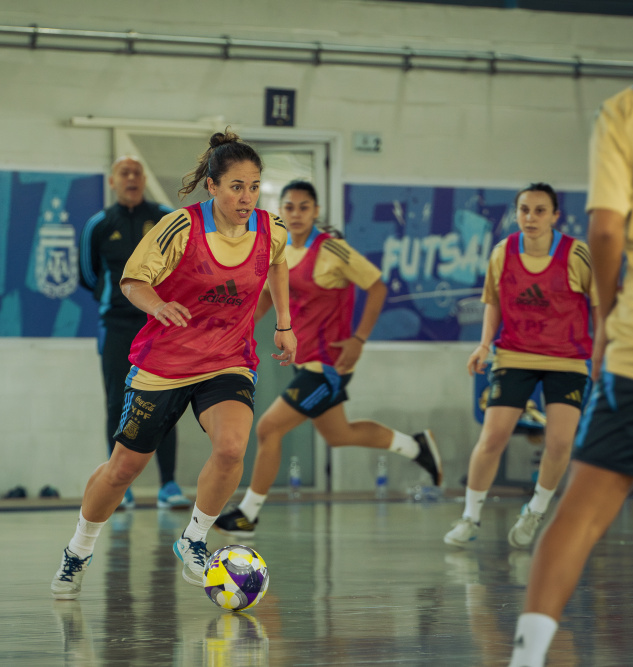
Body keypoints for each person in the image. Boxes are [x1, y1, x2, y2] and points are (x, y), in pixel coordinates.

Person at [51, 130, 296, 599]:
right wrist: (158, 305)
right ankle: (78, 548)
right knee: (123, 469)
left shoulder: (271, 229)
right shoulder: (179, 227)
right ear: (212, 186)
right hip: (165, 363)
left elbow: (278, 263)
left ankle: (194, 539)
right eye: (236, 187)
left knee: (231, 448)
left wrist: (284, 323)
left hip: (227, 359)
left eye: (253, 186)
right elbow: (131, 280)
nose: (247, 197)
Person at [508, 6, 633, 666]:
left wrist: (607, 318)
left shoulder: (626, 111)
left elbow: (606, 230)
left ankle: (527, 657)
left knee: (579, 513)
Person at [215, 180, 442, 537]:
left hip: (329, 366)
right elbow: (268, 297)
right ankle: (417, 446)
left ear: (316, 211)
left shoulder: (333, 249)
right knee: (339, 433)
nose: (296, 214)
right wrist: (235, 329)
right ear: (280, 211)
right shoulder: (278, 250)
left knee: (268, 428)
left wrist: (359, 339)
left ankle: (248, 514)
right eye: (289, 207)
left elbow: (377, 287)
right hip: (304, 362)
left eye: (304, 207)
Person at [444, 183, 596, 550]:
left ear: (555, 216)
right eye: (524, 210)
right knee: (492, 437)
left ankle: (535, 511)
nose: (531, 217)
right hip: (514, 354)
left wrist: (605, 353)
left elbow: (600, 304)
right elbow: (493, 301)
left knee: (559, 442)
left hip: (567, 358)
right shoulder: (503, 251)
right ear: (516, 214)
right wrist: (484, 345)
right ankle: (470, 516)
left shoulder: (577, 254)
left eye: (540, 210)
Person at [79, 156, 191, 510]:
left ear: (143, 180)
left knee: (165, 402)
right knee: (117, 403)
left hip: (159, 324)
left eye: (137, 172)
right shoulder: (98, 225)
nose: (131, 178)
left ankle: (168, 485)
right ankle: (121, 487)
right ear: (112, 181)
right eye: (124, 173)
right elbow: (88, 275)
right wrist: (117, 298)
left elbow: (183, 265)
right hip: (116, 325)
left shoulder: (165, 218)